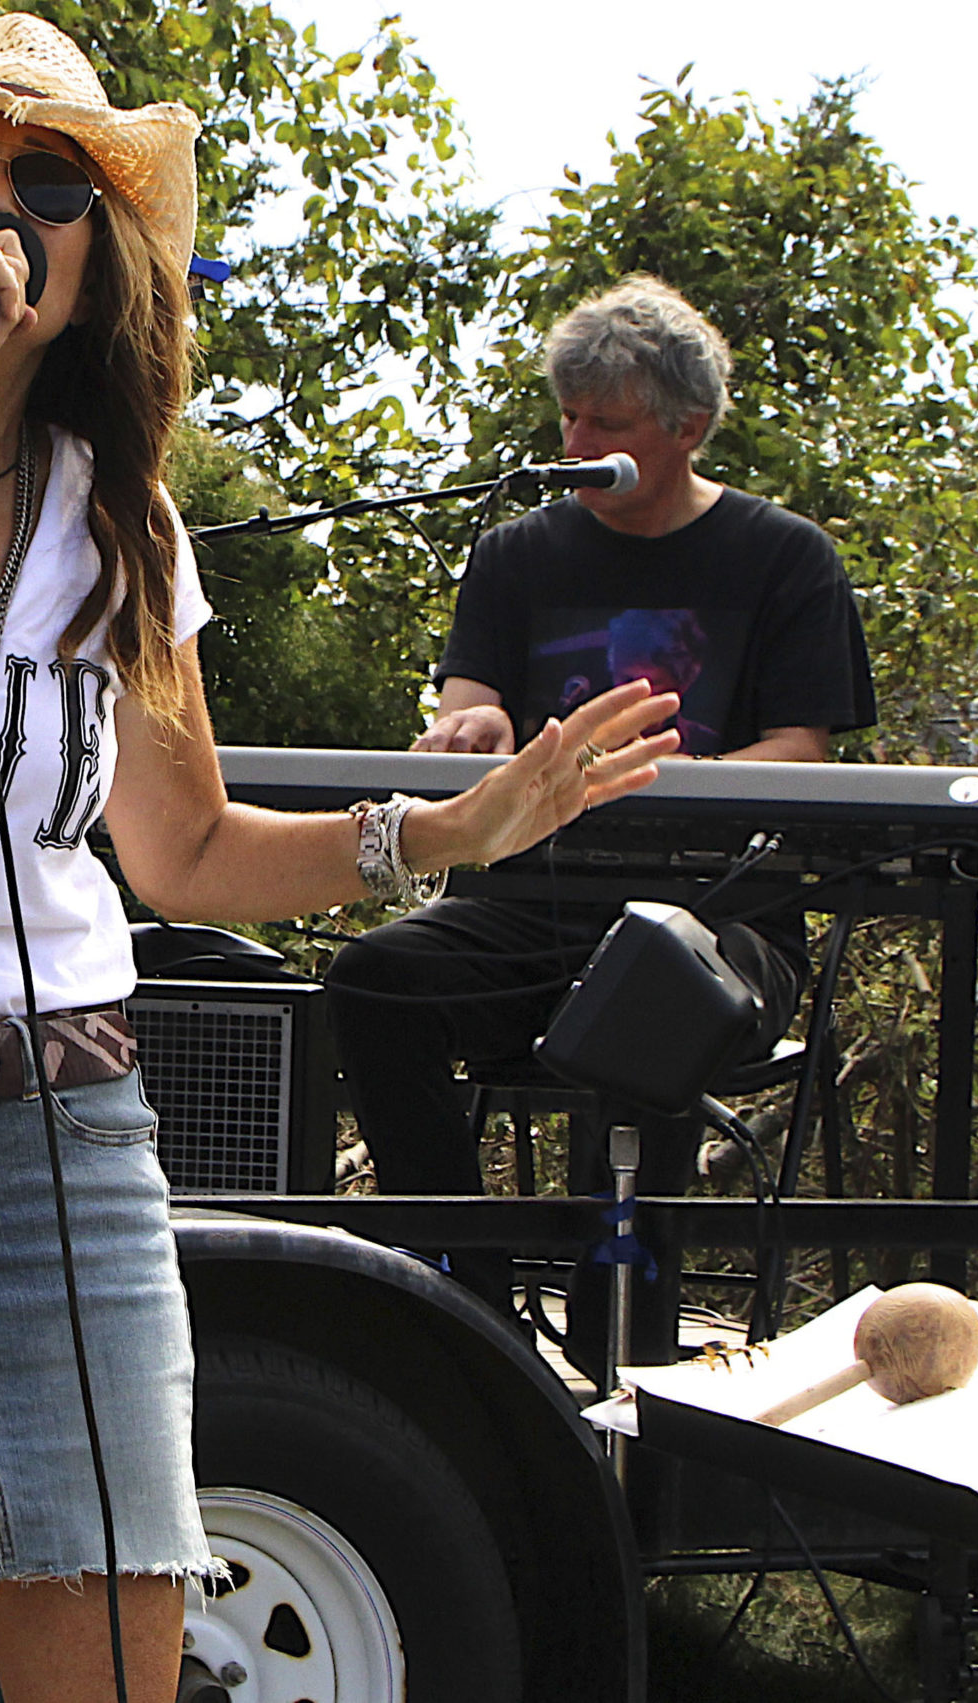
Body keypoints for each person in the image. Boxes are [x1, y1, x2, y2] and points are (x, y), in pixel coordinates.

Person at [0, 14, 682, 1703]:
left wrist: (441, 833)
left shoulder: (123, 518)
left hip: (58, 1161)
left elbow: (187, 847)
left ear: (100, 266)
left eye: (53, 181)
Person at [329, 274, 877, 1367]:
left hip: (717, 920)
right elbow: (468, 698)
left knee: (650, 985)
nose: (576, 441)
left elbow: (802, 751)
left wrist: (647, 777)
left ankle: (622, 1330)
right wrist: (473, 728)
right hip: (529, 904)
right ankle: (461, 1292)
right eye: (568, 417)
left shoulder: (784, 558)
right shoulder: (519, 552)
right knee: (371, 980)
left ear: (689, 428)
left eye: (608, 424)